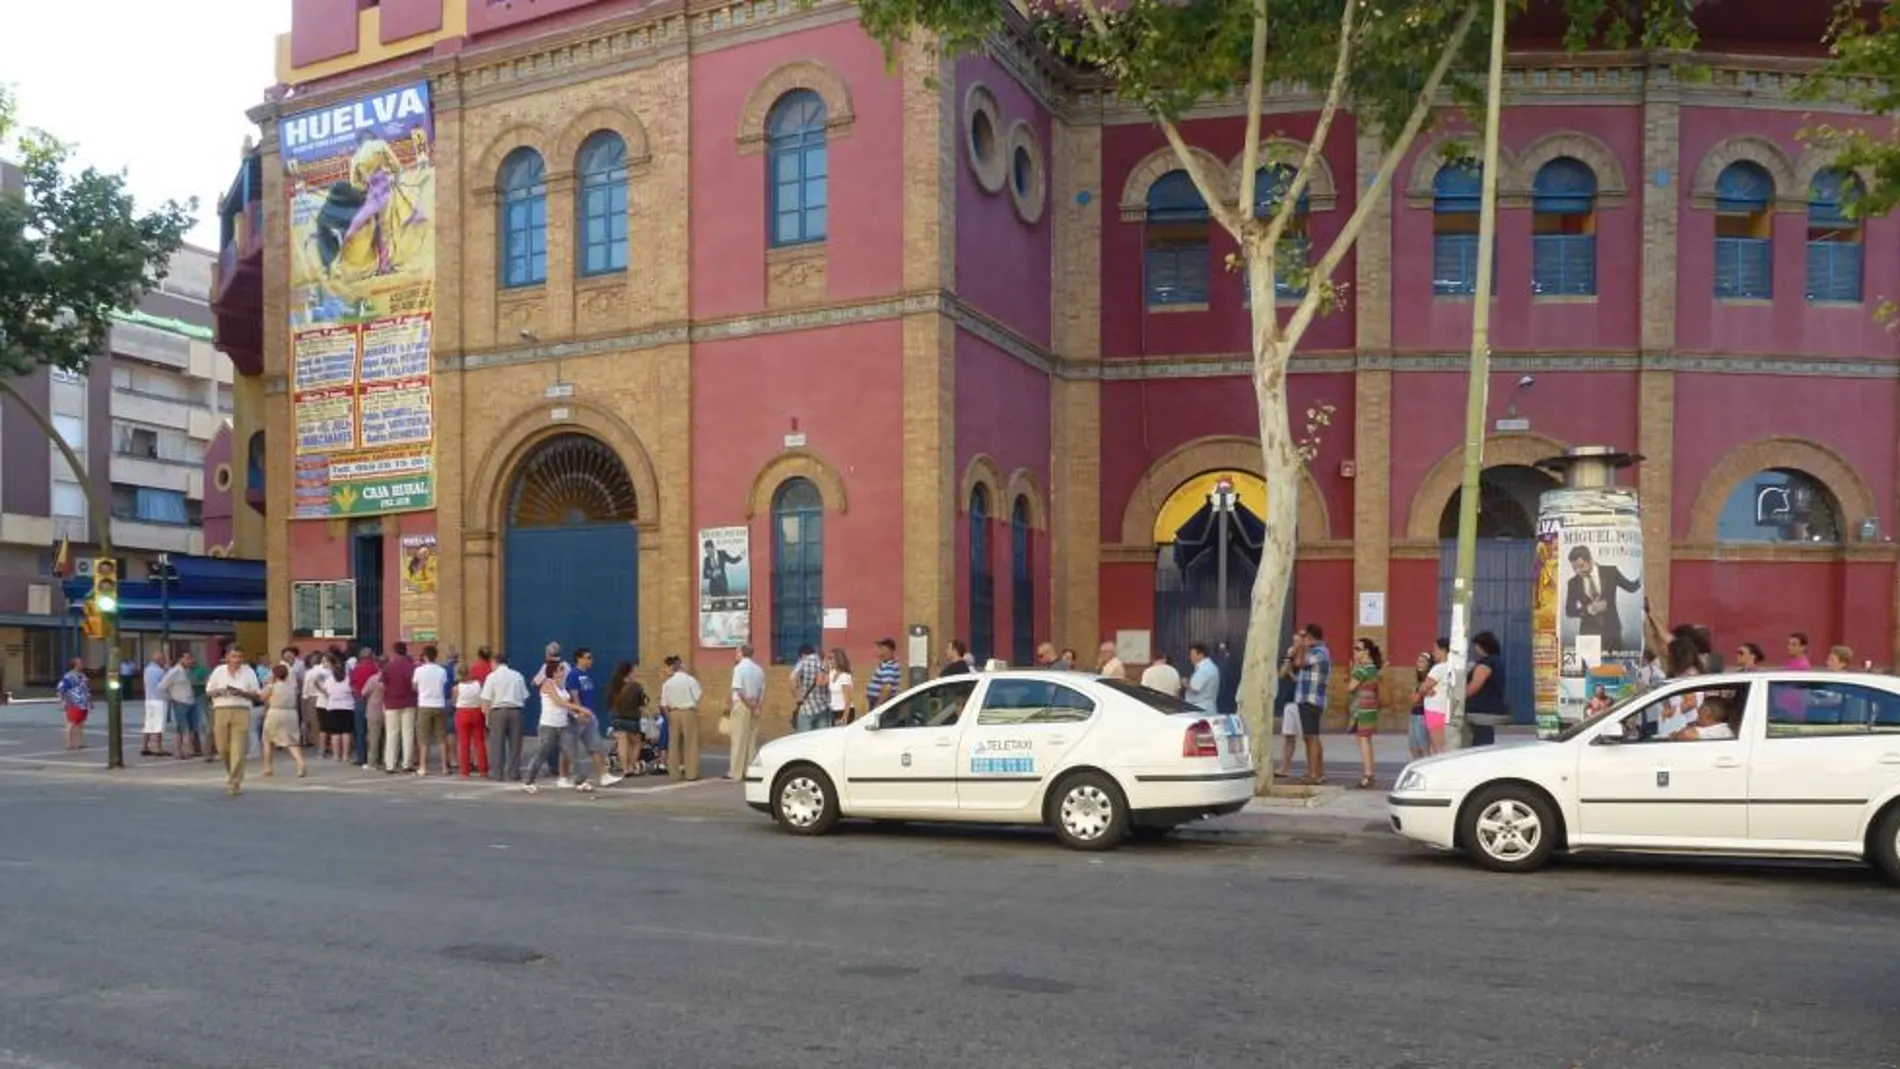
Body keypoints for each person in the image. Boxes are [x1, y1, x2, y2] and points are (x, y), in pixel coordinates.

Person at [522, 661, 594, 795]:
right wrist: (581, 708)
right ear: (554, 672)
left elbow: (565, 705)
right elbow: (559, 702)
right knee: (541, 754)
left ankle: (581, 781)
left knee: (573, 752)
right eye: (561, 669)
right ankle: (528, 782)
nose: (563, 671)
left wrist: (576, 715)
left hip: (563, 726)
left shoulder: (562, 686)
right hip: (548, 726)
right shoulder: (548, 684)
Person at [207, 647, 262, 796]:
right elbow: (209, 691)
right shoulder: (219, 671)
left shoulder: (248, 671)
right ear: (227, 657)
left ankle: (234, 782)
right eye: (234, 656)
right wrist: (219, 691)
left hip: (241, 710)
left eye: (240, 656)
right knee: (222, 748)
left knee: (238, 748)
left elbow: (257, 694)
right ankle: (232, 772)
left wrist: (242, 693)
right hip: (221, 709)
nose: (237, 660)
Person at [1563, 545, 1641, 647]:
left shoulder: (1611, 572)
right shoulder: (1572, 583)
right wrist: (1588, 609)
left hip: (1612, 632)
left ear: (1590, 560)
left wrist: (1642, 577)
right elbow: (1569, 610)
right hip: (1588, 635)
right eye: (1574, 568)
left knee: (1616, 662)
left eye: (1581, 566)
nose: (1578, 571)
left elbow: (1631, 587)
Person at [1283, 624, 1331, 781]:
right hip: (1305, 699)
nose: (1301, 639)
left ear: (1310, 637)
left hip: (1312, 699)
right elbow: (1288, 669)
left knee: (1312, 737)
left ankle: (1313, 774)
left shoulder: (1320, 652)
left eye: (1303, 636)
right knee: (1310, 737)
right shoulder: (1313, 651)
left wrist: (1299, 648)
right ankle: (1318, 771)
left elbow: (1299, 663)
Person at [481, 653, 529, 782]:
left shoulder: (492, 677)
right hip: (516, 711)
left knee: (496, 743)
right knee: (515, 744)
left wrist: (486, 717)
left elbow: (486, 699)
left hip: (498, 711)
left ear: (495, 662)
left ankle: (497, 773)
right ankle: (513, 772)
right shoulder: (517, 675)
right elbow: (525, 695)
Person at [660, 656, 704, 781]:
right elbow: (697, 696)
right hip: (688, 711)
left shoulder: (667, 683)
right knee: (690, 743)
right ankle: (691, 773)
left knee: (673, 744)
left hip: (673, 712)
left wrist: (669, 717)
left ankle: (674, 773)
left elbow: (664, 704)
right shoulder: (690, 680)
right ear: (682, 666)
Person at [260, 663, 307, 778]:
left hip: (275, 712)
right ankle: (300, 763)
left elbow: (262, 697)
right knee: (291, 741)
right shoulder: (291, 687)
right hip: (291, 713)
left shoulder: (272, 686)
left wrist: (269, 684)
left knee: (268, 740)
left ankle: (267, 767)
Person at [1347, 639, 1383, 789]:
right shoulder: (1372, 668)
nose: (1355, 652)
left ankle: (1368, 775)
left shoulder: (1362, 669)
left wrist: (1353, 669)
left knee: (1363, 741)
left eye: (1358, 649)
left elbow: (1350, 687)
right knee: (1366, 741)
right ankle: (1370, 773)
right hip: (1370, 708)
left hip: (1362, 709)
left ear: (1366, 652)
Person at [382, 641, 419, 774]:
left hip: (391, 703)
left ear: (394, 651)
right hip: (409, 702)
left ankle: (390, 764)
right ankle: (407, 763)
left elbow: (382, 684)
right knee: (408, 733)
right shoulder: (412, 667)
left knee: (392, 734)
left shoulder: (389, 666)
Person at [412, 645, 449, 777]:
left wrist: (422, 691)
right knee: (441, 737)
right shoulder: (441, 671)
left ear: (425, 656)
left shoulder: (419, 670)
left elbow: (415, 687)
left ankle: (423, 767)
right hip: (439, 704)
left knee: (423, 738)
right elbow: (444, 684)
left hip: (424, 704)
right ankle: (445, 767)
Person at [1465, 631, 1507, 747]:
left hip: (1481, 709)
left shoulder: (1486, 663)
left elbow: (1474, 687)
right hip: (1491, 707)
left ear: (1481, 646)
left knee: (1480, 740)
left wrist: (1458, 697)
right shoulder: (1498, 661)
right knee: (1485, 738)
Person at [727, 646, 764, 778]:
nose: (736, 654)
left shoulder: (739, 668)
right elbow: (761, 690)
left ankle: (735, 772)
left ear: (741, 653)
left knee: (738, 740)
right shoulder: (759, 669)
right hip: (755, 703)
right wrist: (757, 706)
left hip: (742, 705)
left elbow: (738, 689)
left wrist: (749, 705)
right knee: (751, 740)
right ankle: (749, 770)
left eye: (737, 652)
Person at [607, 661, 649, 775]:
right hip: (631, 719)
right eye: (635, 671)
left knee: (622, 744)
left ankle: (624, 768)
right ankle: (630, 766)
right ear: (629, 673)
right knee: (636, 743)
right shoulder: (636, 686)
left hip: (616, 718)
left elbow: (608, 702)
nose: (636, 673)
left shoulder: (614, 685)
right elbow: (643, 702)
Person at [160, 652, 201, 759]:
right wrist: (172, 698)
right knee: (182, 729)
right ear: (180, 659)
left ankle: (186, 750)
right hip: (180, 702)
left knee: (191, 728)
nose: (190, 661)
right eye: (187, 658)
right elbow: (161, 686)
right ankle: (179, 751)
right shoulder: (174, 672)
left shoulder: (187, 671)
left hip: (191, 701)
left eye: (190, 658)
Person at [452, 662, 487, 779]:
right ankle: (483, 769)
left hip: (462, 713)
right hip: (476, 712)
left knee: (464, 743)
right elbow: (482, 698)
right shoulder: (478, 684)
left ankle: (465, 771)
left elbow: (454, 702)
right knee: (479, 742)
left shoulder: (457, 688)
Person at [321, 654, 356, 764]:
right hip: (348, 707)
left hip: (333, 707)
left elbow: (326, 692)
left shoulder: (329, 680)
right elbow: (353, 691)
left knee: (335, 733)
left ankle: (336, 755)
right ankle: (345, 755)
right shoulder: (348, 679)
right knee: (346, 732)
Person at [790, 645, 829, 732]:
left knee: (805, 739)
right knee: (821, 738)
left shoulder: (803, 662)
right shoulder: (824, 662)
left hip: (807, 708)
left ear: (803, 655)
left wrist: (795, 695)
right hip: (823, 706)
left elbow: (792, 678)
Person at [141, 651, 171, 758]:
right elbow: (165, 684)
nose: (164, 662)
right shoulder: (159, 671)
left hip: (149, 699)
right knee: (158, 724)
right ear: (159, 660)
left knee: (149, 723)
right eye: (163, 660)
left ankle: (144, 746)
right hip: (159, 700)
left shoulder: (147, 670)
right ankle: (158, 747)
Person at [56, 658, 90, 751]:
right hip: (73, 702)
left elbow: (86, 689)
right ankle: (69, 744)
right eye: (80, 663)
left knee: (81, 723)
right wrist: (63, 701)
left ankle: (80, 743)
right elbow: (61, 689)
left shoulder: (82, 676)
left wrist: (89, 702)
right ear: (75, 665)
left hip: (83, 702)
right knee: (71, 723)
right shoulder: (68, 676)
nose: (82, 664)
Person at [1670, 693, 1736, 741]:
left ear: (1706, 712)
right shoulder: (1725, 729)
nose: (1698, 711)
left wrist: (1676, 736)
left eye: (1700, 708)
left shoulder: (1716, 731)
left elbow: (1686, 734)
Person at [1406, 651, 1433, 760]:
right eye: (1418, 661)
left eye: (1422, 661)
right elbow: (1413, 699)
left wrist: (1419, 693)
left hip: (1423, 715)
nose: (1419, 663)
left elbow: (1416, 698)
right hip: (1414, 714)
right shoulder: (1419, 680)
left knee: (1424, 747)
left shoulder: (1429, 679)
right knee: (1413, 747)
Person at [362, 659, 387, 772]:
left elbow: (364, 692)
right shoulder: (389, 679)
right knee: (386, 737)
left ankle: (372, 762)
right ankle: (386, 760)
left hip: (374, 709)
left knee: (373, 737)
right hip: (387, 708)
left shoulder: (373, 679)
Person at [867, 639, 903, 710]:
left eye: (882, 649)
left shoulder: (888, 667)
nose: (879, 651)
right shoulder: (887, 664)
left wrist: (878, 705)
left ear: (890, 652)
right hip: (883, 702)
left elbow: (887, 688)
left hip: (883, 703)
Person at [1184, 643, 1220, 713]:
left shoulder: (1205, 669)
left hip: (1200, 709)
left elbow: (1195, 687)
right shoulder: (1210, 667)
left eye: (1192, 655)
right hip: (1203, 707)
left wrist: (1184, 682)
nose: (1190, 657)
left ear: (1200, 655)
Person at [825, 648, 856, 726]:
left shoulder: (844, 676)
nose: (829, 660)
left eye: (831, 658)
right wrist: (824, 666)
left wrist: (844, 717)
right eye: (829, 658)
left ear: (838, 660)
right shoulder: (832, 673)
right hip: (834, 710)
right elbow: (820, 682)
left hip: (843, 711)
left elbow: (848, 700)